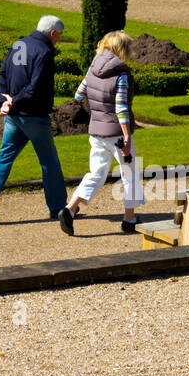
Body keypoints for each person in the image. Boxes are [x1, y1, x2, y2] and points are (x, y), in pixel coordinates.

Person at [0, 15, 68, 225]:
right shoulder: (45, 52)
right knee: (49, 163)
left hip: (14, 118)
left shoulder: (18, 44)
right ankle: (58, 208)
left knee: (4, 158)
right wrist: (13, 103)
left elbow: (2, 75)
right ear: (52, 33)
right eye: (59, 36)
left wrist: (4, 101)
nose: (58, 39)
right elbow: (36, 88)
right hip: (34, 117)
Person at [59, 30, 144, 237]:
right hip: (116, 133)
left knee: (96, 173)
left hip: (96, 132)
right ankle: (129, 218)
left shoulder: (93, 67)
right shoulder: (121, 75)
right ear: (121, 49)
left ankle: (70, 209)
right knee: (130, 174)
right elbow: (121, 109)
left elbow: (79, 94)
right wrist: (127, 137)